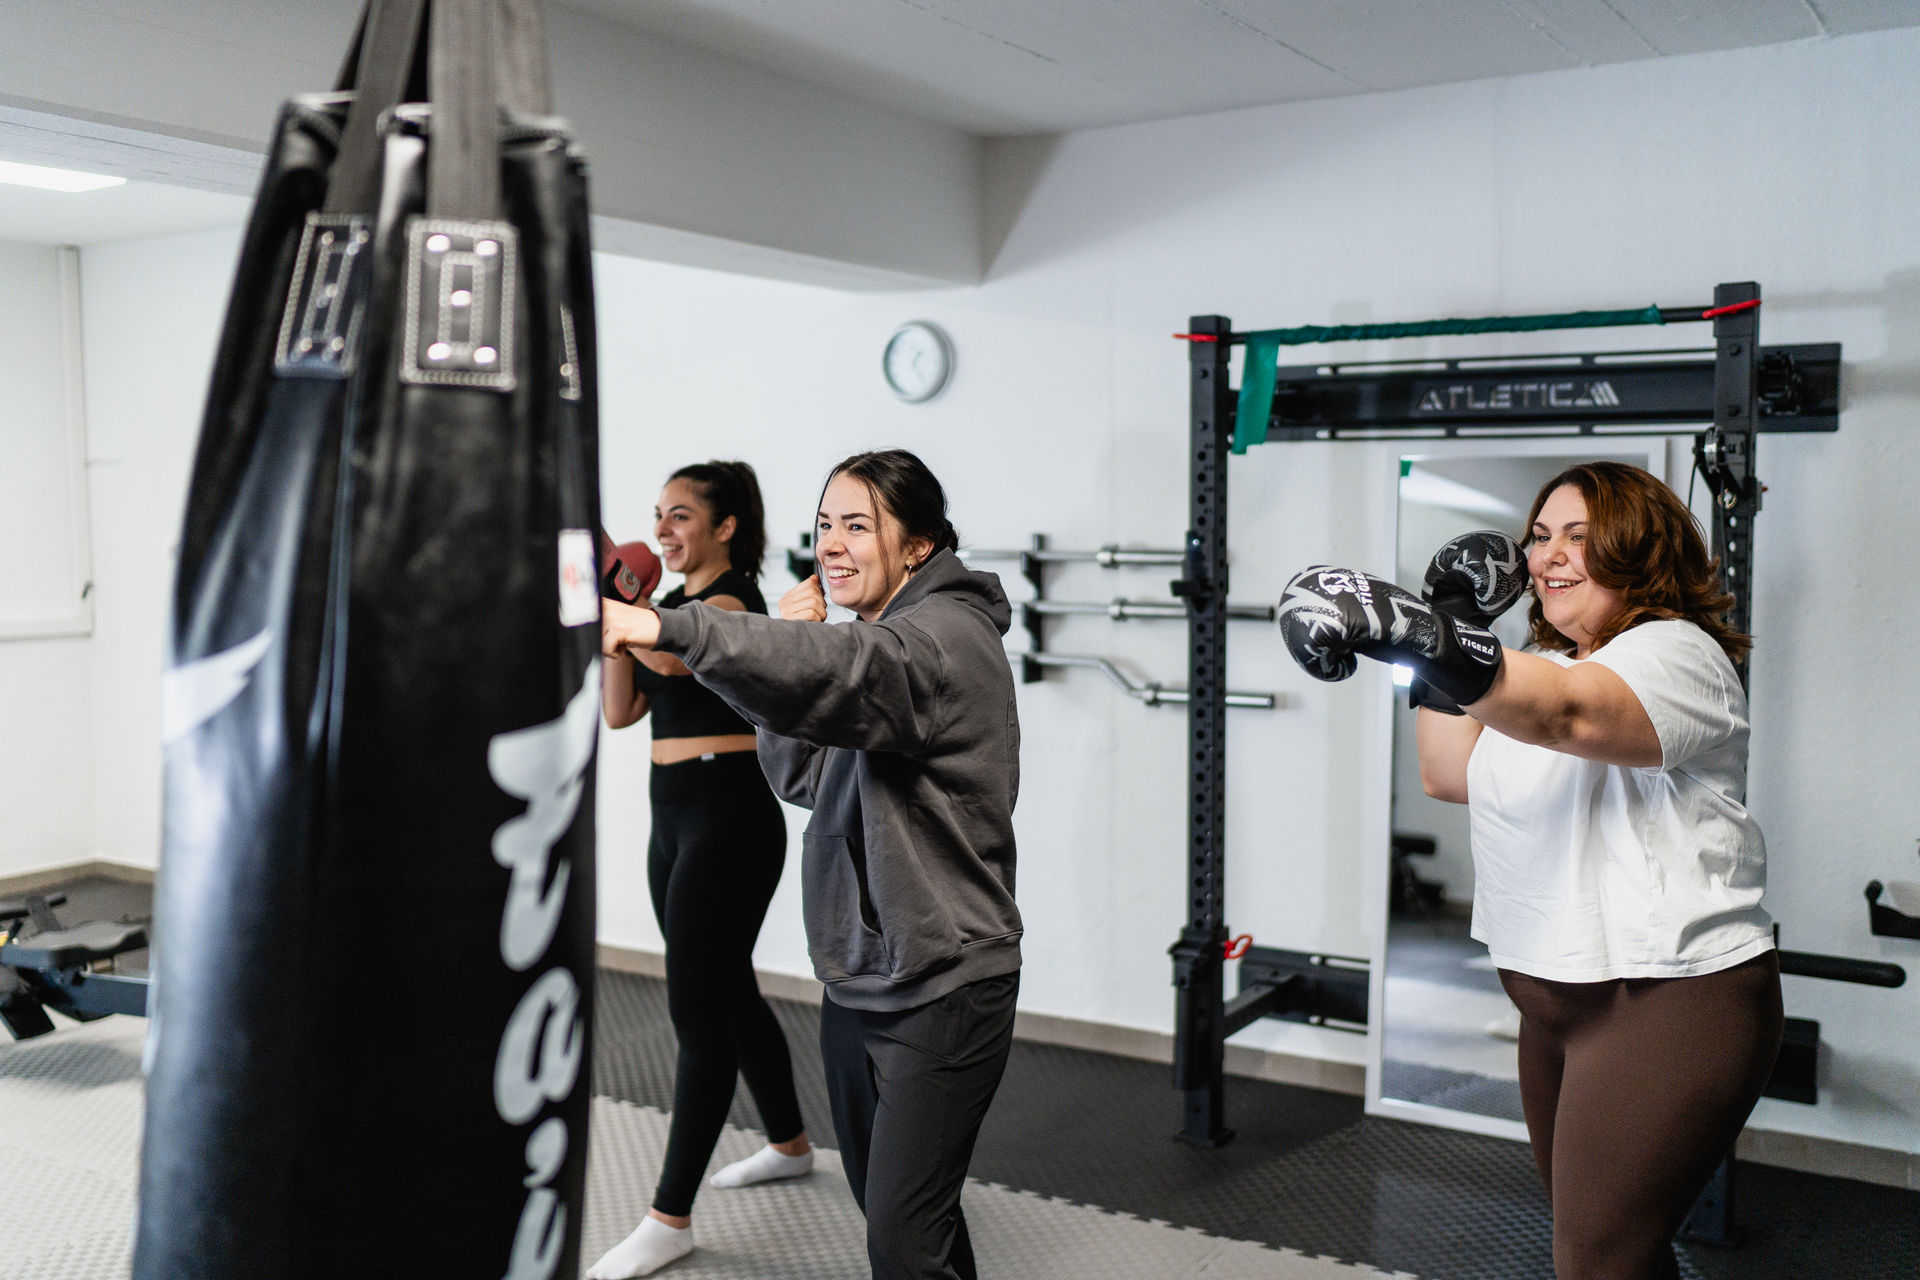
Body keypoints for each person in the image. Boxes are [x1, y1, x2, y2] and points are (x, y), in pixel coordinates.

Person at [1278, 460, 1782, 1280]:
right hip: (1556, 1009)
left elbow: (1570, 713)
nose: (1548, 557)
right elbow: (1448, 771)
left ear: (1640, 550)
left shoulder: (1676, 654)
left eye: (1580, 538)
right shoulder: (1539, 663)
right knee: (1612, 1253)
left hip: (1664, 1004)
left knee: (1595, 1261)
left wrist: (1415, 629)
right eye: (1541, 536)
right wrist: (1447, 615)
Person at [601, 449, 1022, 1280]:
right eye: (825, 524)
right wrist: (789, 658)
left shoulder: (941, 640)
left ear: (918, 546)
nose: (832, 544)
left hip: (942, 983)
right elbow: (805, 773)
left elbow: (851, 670)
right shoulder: (878, 632)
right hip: (861, 972)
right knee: (899, 1215)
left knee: (903, 1235)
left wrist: (668, 624)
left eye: (857, 526)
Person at [588, 461, 814, 1280]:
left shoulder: (733, 605)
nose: (664, 530)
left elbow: (680, 663)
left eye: (681, 515)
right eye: (658, 515)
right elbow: (620, 712)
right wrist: (612, 620)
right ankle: (789, 1144)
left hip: (729, 817)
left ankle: (669, 1217)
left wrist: (631, 610)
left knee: (698, 1011)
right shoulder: (665, 610)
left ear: (725, 527)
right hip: (672, 817)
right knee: (729, 988)